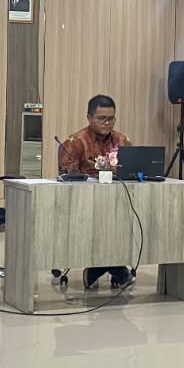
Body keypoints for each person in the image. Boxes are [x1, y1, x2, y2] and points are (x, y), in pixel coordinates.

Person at [58, 95, 134, 289]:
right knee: (103, 223)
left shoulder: (123, 141)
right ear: (89, 118)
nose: (107, 123)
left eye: (111, 119)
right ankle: (116, 270)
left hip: (118, 203)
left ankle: (98, 269)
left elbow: (132, 173)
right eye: (102, 119)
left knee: (126, 220)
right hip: (84, 205)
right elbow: (67, 181)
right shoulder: (75, 142)